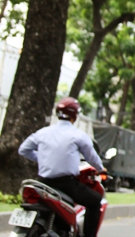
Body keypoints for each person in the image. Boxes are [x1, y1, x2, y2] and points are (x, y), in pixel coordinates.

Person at [19, 97, 105, 237]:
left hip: (42, 182)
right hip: (66, 184)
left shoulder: (43, 132)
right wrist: (101, 169)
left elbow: (23, 150)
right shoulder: (78, 135)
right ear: (75, 115)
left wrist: (41, 159)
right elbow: (92, 157)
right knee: (95, 202)